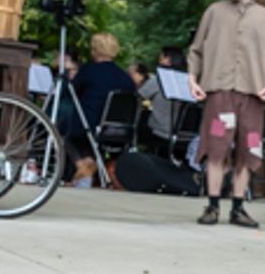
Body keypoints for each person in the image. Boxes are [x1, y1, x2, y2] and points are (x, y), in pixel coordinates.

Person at [187, 0, 265, 228]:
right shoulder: (214, 12)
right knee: (215, 148)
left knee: (249, 150)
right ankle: (212, 205)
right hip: (219, 91)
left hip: (252, 95)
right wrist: (192, 78)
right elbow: (196, 49)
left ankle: (238, 207)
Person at [68, 33, 136, 187]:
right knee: (88, 138)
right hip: (118, 130)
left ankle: (84, 165)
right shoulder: (125, 77)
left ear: (94, 50)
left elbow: (72, 92)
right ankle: (89, 166)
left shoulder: (88, 71)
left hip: (90, 125)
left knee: (63, 132)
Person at [136, 46, 186, 156]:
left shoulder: (160, 79)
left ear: (168, 60)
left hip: (159, 131)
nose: (159, 59)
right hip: (182, 133)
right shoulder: (186, 80)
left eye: (161, 57)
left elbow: (138, 97)